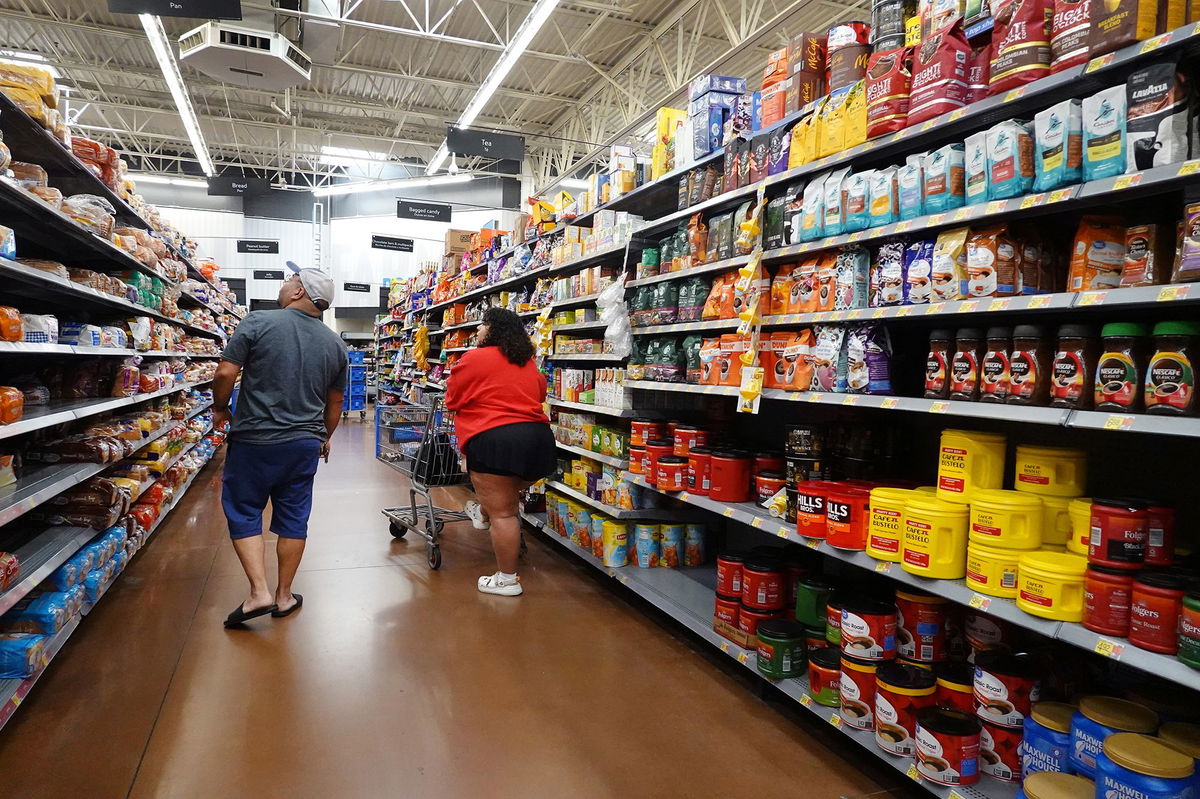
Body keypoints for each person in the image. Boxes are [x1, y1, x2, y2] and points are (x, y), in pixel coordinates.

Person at [212, 262, 349, 627]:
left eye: (290, 279)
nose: (285, 283)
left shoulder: (258, 322)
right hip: (304, 442)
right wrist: (325, 436)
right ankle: (284, 595)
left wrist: (221, 408)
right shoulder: (336, 344)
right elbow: (335, 403)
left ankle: (258, 592)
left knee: (244, 510)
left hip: (255, 438)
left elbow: (226, 372)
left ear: (300, 290)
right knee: (294, 516)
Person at [446, 307, 555, 596]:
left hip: (494, 439)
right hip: (538, 442)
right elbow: (540, 393)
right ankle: (482, 511)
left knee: (504, 514)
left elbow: (452, 398)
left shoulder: (474, 359)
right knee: (503, 499)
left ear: (493, 329)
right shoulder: (527, 362)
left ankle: (506, 580)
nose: (478, 330)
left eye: (482, 325)